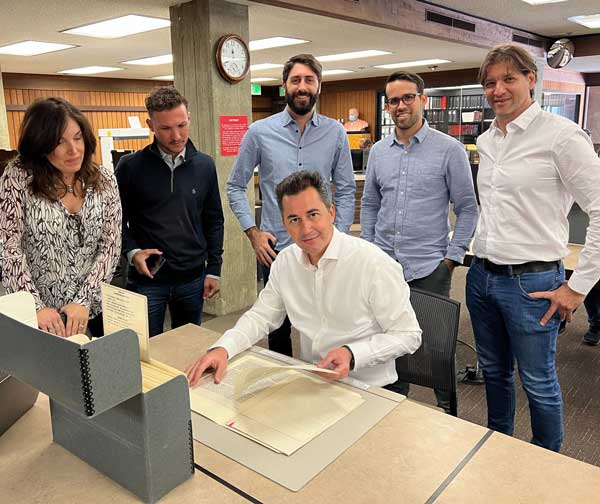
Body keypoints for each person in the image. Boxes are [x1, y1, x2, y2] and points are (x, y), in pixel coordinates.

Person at [466, 45, 600, 452]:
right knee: (494, 373)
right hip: (481, 277)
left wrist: (578, 288)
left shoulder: (561, 137)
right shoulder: (488, 140)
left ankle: (547, 463)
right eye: (490, 83)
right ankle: (498, 447)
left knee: (538, 380)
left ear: (531, 79)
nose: (498, 90)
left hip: (533, 283)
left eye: (508, 79)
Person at [187, 171, 421, 387]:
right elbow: (261, 317)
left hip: (371, 387)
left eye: (313, 214)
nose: (306, 228)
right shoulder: (285, 262)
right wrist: (223, 349)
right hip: (314, 379)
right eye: (294, 219)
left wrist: (353, 354)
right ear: (285, 224)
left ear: (331, 212)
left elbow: (408, 335)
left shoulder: (374, 264)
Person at [360, 71, 478, 413]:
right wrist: (368, 247)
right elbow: (370, 203)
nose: (400, 106)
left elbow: (468, 208)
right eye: (393, 100)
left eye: (407, 97)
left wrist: (452, 260)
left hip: (430, 267)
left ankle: (447, 411)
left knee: (435, 348)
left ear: (423, 99)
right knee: (388, 341)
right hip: (384, 266)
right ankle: (395, 408)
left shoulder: (450, 150)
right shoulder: (379, 152)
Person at [227, 54, 355, 357]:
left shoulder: (335, 133)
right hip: (275, 248)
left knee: (328, 322)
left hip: (323, 247)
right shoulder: (260, 132)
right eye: (296, 80)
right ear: (285, 85)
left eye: (309, 80)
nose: (302, 86)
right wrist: (253, 233)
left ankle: (325, 384)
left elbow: (347, 188)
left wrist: (339, 234)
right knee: (277, 325)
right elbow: (234, 185)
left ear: (319, 86)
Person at [0, 97, 121, 337]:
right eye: (60, 142)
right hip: (39, 316)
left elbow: (110, 246)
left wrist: (85, 300)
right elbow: (8, 247)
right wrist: (35, 306)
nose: (73, 150)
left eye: (77, 138)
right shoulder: (18, 178)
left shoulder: (104, 180)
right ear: (41, 144)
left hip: (91, 310)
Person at [116, 87, 224, 337]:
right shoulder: (130, 167)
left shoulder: (205, 165)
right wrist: (132, 252)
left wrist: (214, 269)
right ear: (150, 125)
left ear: (189, 119)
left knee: (188, 346)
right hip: (148, 279)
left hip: (192, 277)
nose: (176, 136)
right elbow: (114, 222)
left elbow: (214, 220)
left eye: (182, 125)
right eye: (165, 128)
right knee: (146, 349)